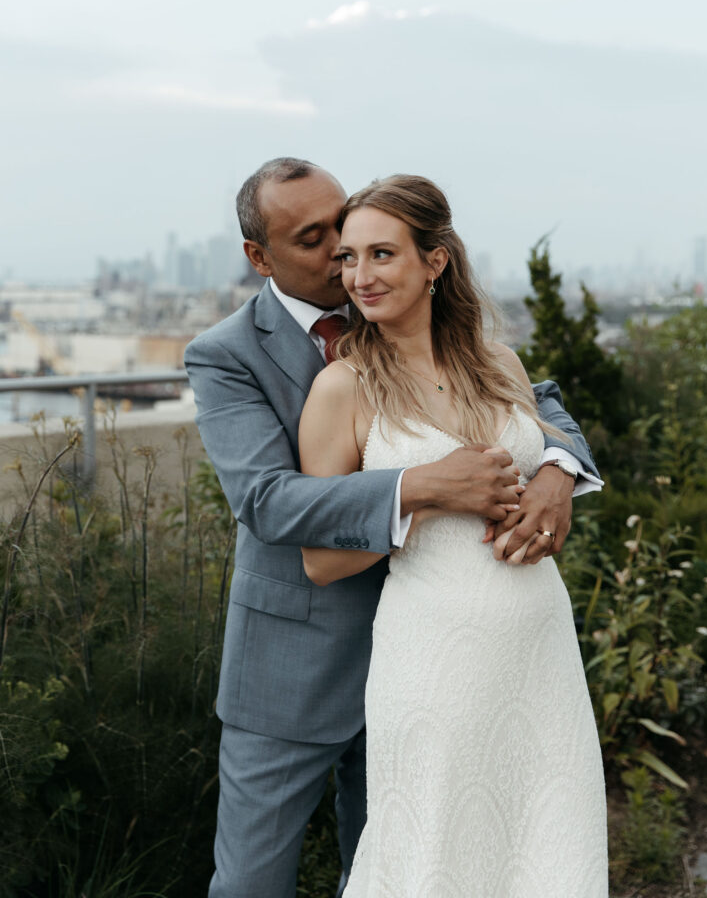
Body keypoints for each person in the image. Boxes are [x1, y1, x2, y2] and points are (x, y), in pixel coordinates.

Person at [184, 158, 602, 898]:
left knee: (437, 858)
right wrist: (421, 487)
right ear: (259, 257)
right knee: (253, 881)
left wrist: (558, 473)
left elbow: (540, 411)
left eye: (354, 234)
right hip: (299, 659)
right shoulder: (228, 354)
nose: (344, 255)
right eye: (320, 241)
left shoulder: (469, 343)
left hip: (473, 652)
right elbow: (268, 501)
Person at [298, 174, 608, 897]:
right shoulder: (342, 389)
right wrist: (431, 496)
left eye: (381, 254)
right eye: (348, 258)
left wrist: (558, 473)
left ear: (434, 261)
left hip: (538, 651)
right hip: (431, 658)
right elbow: (321, 558)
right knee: (431, 853)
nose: (359, 277)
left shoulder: (501, 365)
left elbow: (552, 443)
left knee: (549, 845)